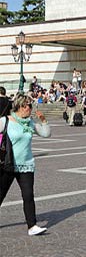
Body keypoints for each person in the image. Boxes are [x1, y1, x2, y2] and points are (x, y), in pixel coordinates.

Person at [0, 94, 51, 235]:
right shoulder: (5, 121)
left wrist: (43, 120)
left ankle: (32, 226)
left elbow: (46, 134)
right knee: (0, 195)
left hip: (26, 165)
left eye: (30, 105)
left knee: (28, 195)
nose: (30, 108)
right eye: (27, 105)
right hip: (8, 165)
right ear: (19, 106)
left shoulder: (29, 122)